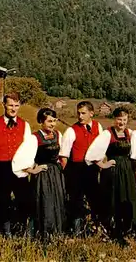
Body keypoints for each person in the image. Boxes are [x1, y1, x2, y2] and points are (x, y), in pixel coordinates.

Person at [85, 107, 136, 244]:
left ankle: (128, 231)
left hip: (127, 171)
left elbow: (135, 156)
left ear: (127, 120)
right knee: (113, 199)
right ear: (114, 119)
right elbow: (91, 154)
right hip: (112, 172)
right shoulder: (107, 134)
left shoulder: (132, 134)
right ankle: (112, 231)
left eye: (124, 119)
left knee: (128, 198)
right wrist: (103, 164)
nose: (121, 122)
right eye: (119, 119)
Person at [12, 108, 66, 239]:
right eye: (49, 121)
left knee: (57, 201)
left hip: (56, 174)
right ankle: (42, 234)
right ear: (41, 122)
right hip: (42, 175)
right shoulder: (34, 138)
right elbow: (19, 158)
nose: (52, 124)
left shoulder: (58, 135)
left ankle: (56, 233)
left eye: (54, 121)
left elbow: (63, 154)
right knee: (44, 201)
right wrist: (32, 170)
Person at [0, 92, 32, 237]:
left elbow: (28, 148)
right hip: (0, 167)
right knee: (3, 200)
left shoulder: (25, 125)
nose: (13, 109)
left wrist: (26, 167)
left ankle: (22, 229)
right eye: (10, 105)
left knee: (23, 199)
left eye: (16, 106)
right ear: (4, 105)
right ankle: (6, 231)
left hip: (19, 167)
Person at [58, 101, 103, 235]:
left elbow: (100, 147)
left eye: (83, 113)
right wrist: (68, 174)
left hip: (92, 169)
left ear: (91, 113)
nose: (80, 116)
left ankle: (95, 228)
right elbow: (64, 156)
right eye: (78, 113)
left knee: (95, 199)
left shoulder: (98, 126)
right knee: (76, 200)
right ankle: (75, 230)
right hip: (76, 169)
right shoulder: (71, 130)